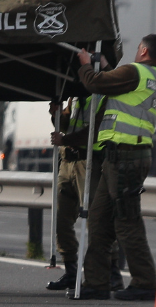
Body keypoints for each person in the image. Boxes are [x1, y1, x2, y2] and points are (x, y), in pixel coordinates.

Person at [68, 34, 156, 301]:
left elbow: (95, 83)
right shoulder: (154, 77)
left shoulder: (135, 72)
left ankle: (145, 282)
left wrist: (85, 64)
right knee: (99, 218)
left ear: (144, 50)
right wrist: (106, 66)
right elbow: (118, 84)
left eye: (138, 49)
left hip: (126, 156)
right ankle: (96, 282)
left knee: (126, 220)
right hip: (121, 156)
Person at [46, 96, 123, 291]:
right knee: (61, 219)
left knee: (97, 221)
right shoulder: (75, 96)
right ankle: (71, 270)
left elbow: (95, 131)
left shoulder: (103, 96)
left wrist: (65, 140)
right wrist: (56, 114)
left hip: (90, 163)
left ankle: (112, 272)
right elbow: (67, 125)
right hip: (67, 162)